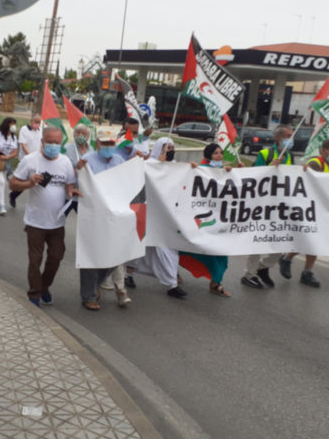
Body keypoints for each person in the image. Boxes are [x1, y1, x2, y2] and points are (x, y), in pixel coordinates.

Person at [9, 126, 81, 307]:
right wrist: (30, 182)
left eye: (57, 142)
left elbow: (69, 184)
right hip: (35, 222)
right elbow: (13, 184)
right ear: (42, 141)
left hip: (57, 221)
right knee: (35, 260)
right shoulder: (30, 160)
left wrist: (71, 191)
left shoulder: (65, 161)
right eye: (50, 142)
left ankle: (44, 286)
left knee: (56, 257)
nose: (53, 145)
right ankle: (34, 293)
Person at [126, 138, 188, 299]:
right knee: (141, 247)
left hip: (167, 217)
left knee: (169, 248)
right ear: (159, 149)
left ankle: (171, 284)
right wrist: (157, 165)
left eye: (172, 147)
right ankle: (128, 275)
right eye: (167, 148)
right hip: (150, 215)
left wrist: (193, 168)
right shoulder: (149, 165)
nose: (170, 150)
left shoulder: (175, 166)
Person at [76, 127, 130, 310]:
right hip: (93, 216)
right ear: (97, 143)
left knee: (114, 255)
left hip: (114, 217)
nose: (108, 146)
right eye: (105, 143)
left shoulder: (119, 161)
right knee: (91, 256)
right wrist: (78, 171)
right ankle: (88, 296)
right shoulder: (87, 161)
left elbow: (126, 184)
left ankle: (94, 285)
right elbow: (79, 185)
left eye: (111, 143)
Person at [278, 137, 329, 288]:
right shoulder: (315, 163)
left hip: (322, 209)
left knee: (315, 241)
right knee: (311, 240)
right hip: (310, 209)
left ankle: (298, 266)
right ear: (324, 150)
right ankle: (296, 265)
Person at [241, 125, 296, 289]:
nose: (291, 139)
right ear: (278, 137)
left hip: (280, 206)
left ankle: (263, 267)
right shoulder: (265, 154)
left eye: (292, 136)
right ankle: (249, 274)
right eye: (288, 135)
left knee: (283, 240)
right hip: (262, 205)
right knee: (258, 239)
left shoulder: (290, 156)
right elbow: (253, 176)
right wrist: (270, 167)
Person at [179, 143, 237, 297]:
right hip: (202, 220)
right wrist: (192, 168)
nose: (219, 156)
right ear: (208, 155)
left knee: (221, 252)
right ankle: (172, 270)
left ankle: (215, 283)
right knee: (190, 248)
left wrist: (235, 174)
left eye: (220, 153)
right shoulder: (200, 170)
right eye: (215, 153)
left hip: (219, 223)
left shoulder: (224, 172)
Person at [10, 114, 42, 208]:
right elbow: (23, 145)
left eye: (39, 123)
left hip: (38, 161)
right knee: (23, 183)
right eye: (36, 122)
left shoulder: (40, 130)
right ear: (31, 121)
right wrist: (30, 156)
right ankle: (13, 195)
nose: (37, 124)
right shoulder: (24, 129)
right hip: (26, 160)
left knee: (37, 183)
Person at [0, 117, 19, 215]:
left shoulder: (13, 138)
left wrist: (7, 157)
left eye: (14, 124)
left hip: (5, 162)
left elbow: (15, 151)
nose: (13, 126)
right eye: (11, 124)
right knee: (2, 181)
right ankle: (1, 205)